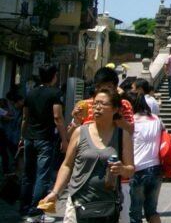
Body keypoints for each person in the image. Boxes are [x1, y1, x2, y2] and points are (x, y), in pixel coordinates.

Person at [40, 88, 135, 223]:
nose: (97, 107)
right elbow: (67, 165)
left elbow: (131, 169)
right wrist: (55, 193)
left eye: (103, 104)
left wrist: (122, 169)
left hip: (108, 204)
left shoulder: (122, 135)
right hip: (78, 202)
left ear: (115, 109)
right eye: (95, 103)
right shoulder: (80, 132)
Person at [20, 65, 68, 221]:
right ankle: (36, 211)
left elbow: (25, 118)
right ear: (54, 76)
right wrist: (64, 139)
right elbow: (57, 117)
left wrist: (22, 137)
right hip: (45, 139)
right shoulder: (55, 93)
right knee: (43, 175)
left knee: (28, 174)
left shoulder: (31, 93)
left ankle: (24, 208)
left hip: (29, 138)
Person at [126, 91, 163, 223]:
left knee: (134, 213)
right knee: (151, 211)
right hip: (156, 168)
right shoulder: (156, 119)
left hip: (137, 169)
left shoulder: (131, 121)